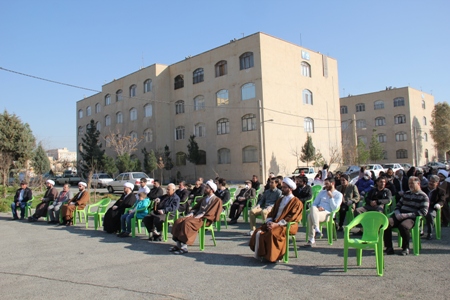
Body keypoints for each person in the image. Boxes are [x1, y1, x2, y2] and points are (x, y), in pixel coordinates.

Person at [249, 177, 303, 262]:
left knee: (273, 233)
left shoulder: (296, 202)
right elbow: (272, 213)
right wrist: (269, 222)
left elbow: (292, 217)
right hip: (274, 223)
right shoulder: (280, 200)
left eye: (285, 188)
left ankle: (274, 257)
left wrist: (277, 224)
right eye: (282, 187)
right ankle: (262, 254)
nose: (283, 189)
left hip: (288, 225)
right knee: (258, 231)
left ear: (290, 189)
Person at [170, 180, 222, 254]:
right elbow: (196, 208)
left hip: (205, 219)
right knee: (179, 221)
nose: (205, 189)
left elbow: (213, 213)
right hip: (196, 216)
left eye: (207, 188)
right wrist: (192, 212)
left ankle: (184, 247)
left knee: (187, 223)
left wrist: (202, 215)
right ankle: (178, 244)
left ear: (212, 190)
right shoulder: (204, 198)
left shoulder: (217, 200)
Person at [384, 176, 429, 256]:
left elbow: (423, 212)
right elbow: (398, 205)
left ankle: (405, 247)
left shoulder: (423, 196)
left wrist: (406, 215)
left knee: (403, 226)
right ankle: (389, 247)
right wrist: (397, 213)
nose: (410, 185)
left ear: (418, 184)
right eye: (409, 183)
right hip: (400, 214)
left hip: (411, 217)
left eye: (412, 183)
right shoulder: (406, 194)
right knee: (386, 223)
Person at [304, 178, 343, 247]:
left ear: (332, 183)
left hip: (328, 213)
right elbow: (314, 203)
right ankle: (317, 229)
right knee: (312, 208)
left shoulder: (338, 194)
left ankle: (312, 239)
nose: (325, 186)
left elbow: (335, 208)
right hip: (318, 211)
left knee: (310, 216)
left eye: (327, 184)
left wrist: (331, 197)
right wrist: (318, 208)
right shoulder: (322, 192)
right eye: (325, 184)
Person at [422, 175, 445, 239]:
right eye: (430, 181)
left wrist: (438, 204)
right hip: (422, 206)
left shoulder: (441, 191)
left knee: (429, 214)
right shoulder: (423, 189)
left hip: (432, 207)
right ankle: (419, 231)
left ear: (437, 183)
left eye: (433, 182)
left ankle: (429, 232)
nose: (431, 183)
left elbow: (442, 200)